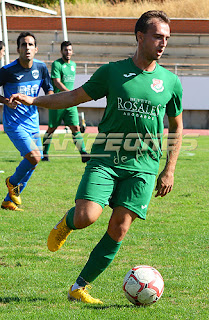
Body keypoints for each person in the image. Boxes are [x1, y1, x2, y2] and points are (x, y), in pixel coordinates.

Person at [9, 11, 183, 304]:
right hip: (106, 159)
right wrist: (34, 100)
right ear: (140, 36)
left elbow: (177, 126)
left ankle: (79, 287)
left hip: (144, 167)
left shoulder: (170, 82)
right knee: (86, 216)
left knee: (119, 228)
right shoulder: (112, 72)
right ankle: (65, 224)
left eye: (166, 38)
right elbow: (74, 96)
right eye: (157, 36)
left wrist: (170, 169)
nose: (163, 43)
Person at [0, 31, 53, 211]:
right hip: (14, 124)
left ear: (36, 49)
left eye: (30, 44)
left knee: (33, 163)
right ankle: (12, 182)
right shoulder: (7, 71)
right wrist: (6, 101)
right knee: (35, 157)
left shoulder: (41, 68)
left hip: (33, 123)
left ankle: (9, 200)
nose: (27, 48)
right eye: (24, 44)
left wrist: (48, 102)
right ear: (18, 49)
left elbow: (49, 90)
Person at [42, 40, 89, 163]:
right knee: (51, 129)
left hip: (70, 102)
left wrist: (71, 96)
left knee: (75, 127)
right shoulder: (57, 64)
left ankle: (83, 153)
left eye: (69, 50)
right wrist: (69, 93)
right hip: (57, 101)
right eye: (65, 50)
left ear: (72, 51)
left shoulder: (73, 65)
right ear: (61, 51)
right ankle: (44, 153)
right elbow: (57, 82)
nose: (68, 52)